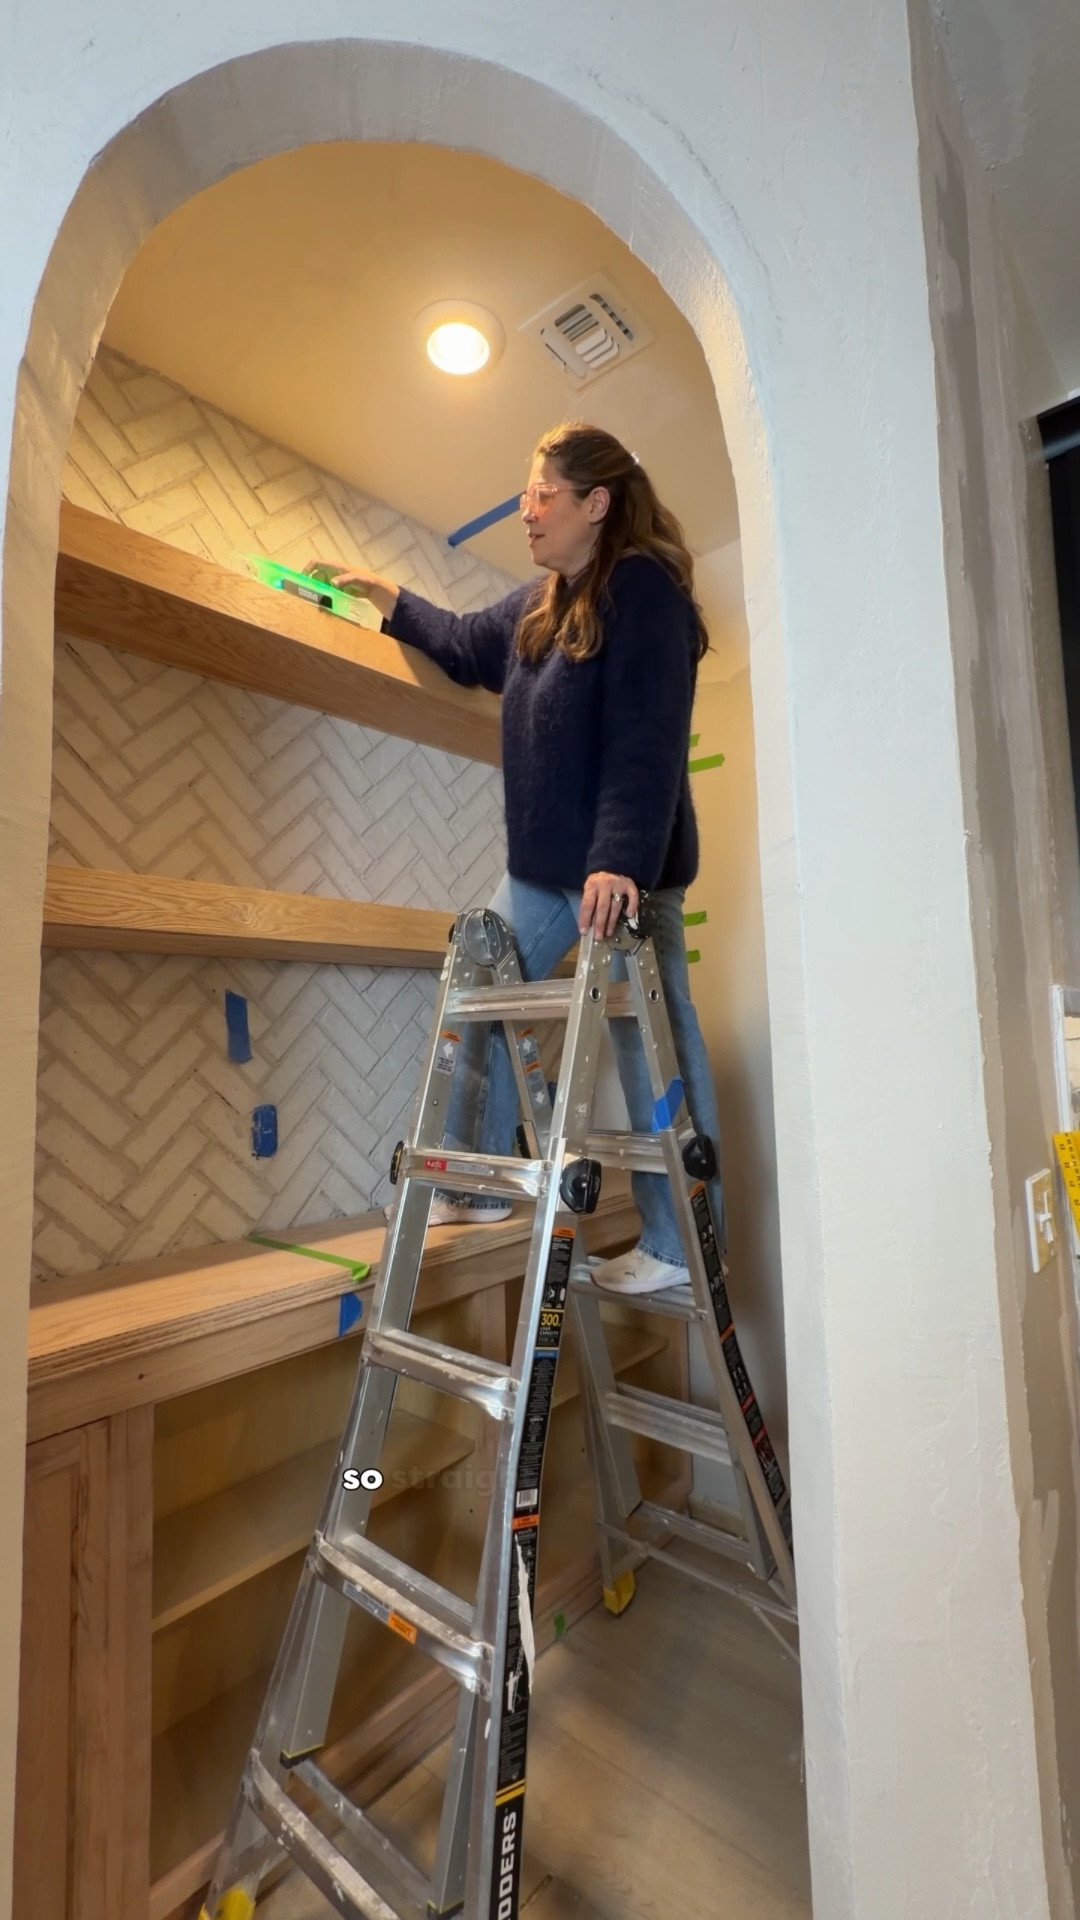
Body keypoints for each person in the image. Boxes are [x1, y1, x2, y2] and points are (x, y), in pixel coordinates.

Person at [313, 421, 727, 1295]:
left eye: (542, 493)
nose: (526, 510)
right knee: (480, 990)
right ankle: (482, 1183)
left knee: (652, 1042)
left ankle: (679, 1249)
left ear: (596, 503)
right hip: (547, 869)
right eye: (525, 494)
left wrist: (619, 857)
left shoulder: (643, 590)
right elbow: (468, 643)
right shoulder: (541, 604)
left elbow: (647, 736)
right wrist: (390, 597)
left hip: (617, 870)